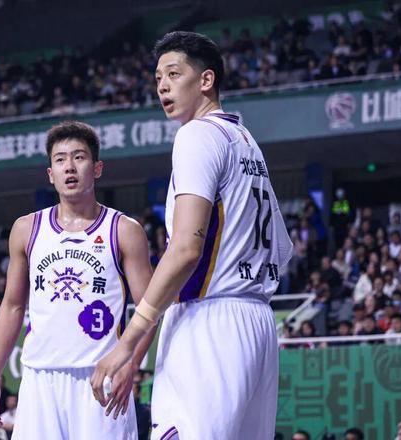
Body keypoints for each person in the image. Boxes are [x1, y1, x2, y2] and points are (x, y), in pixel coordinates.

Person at [91, 31, 293, 440]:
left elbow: (186, 249)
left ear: (206, 80)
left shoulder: (196, 135)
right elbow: (284, 247)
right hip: (256, 321)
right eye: (157, 78)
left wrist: (129, 341)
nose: (162, 86)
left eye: (173, 73)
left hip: (210, 323)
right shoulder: (246, 142)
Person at [0, 121, 155, 439]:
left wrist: (130, 365)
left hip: (101, 376)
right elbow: (13, 306)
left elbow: (150, 307)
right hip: (39, 377)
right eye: (60, 160)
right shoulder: (26, 229)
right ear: (51, 173)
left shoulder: (124, 230)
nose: (69, 167)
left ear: (97, 168)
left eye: (79, 157)